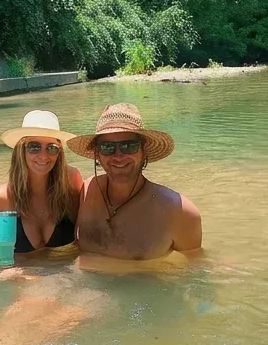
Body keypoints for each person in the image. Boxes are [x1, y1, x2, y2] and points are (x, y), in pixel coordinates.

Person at [68, 103, 201, 260]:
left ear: (144, 151)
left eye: (128, 146)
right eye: (107, 147)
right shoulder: (87, 192)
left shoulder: (180, 212)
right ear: (97, 153)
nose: (118, 156)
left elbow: (195, 269)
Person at [0, 110, 84, 264]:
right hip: (22, 276)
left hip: (65, 275)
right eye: (34, 147)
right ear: (21, 150)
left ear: (59, 152)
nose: (43, 155)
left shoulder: (70, 182)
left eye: (51, 148)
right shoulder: (2, 198)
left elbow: (86, 233)